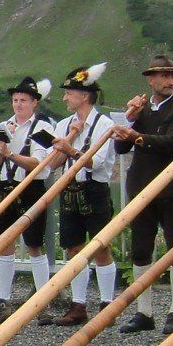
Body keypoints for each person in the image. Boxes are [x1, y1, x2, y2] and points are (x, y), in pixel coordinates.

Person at [118, 54, 173, 335]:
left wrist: (137, 137)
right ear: (151, 80)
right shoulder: (141, 111)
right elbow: (120, 149)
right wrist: (130, 121)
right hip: (141, 188)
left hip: (172, 190)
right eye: (164, 76)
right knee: (141, 248)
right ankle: (144, 311)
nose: (170, 81)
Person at [44, 65, 123, 326]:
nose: (65, 98)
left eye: (69, 93)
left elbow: (97, 163)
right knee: (73, 247)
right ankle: (78, 305)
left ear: (85, 96)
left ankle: (107, 304)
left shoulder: (105, 124)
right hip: (70, 189)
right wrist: (61, 147)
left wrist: (71, 150)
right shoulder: (65, 124)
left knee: (101, 247)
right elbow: (53, 163)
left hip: (94, 189)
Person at [0, 78, 57, 320]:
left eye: (23, 100)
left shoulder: (43, 129)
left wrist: (11, 153)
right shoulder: (3, 126)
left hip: (30, 187)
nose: (18, 105)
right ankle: (3, 299)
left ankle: (42, 302)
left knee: (34, 244)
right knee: (4, 243)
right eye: (15, 100)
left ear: (34, 103)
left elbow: (40, 165)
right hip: (4, 186)